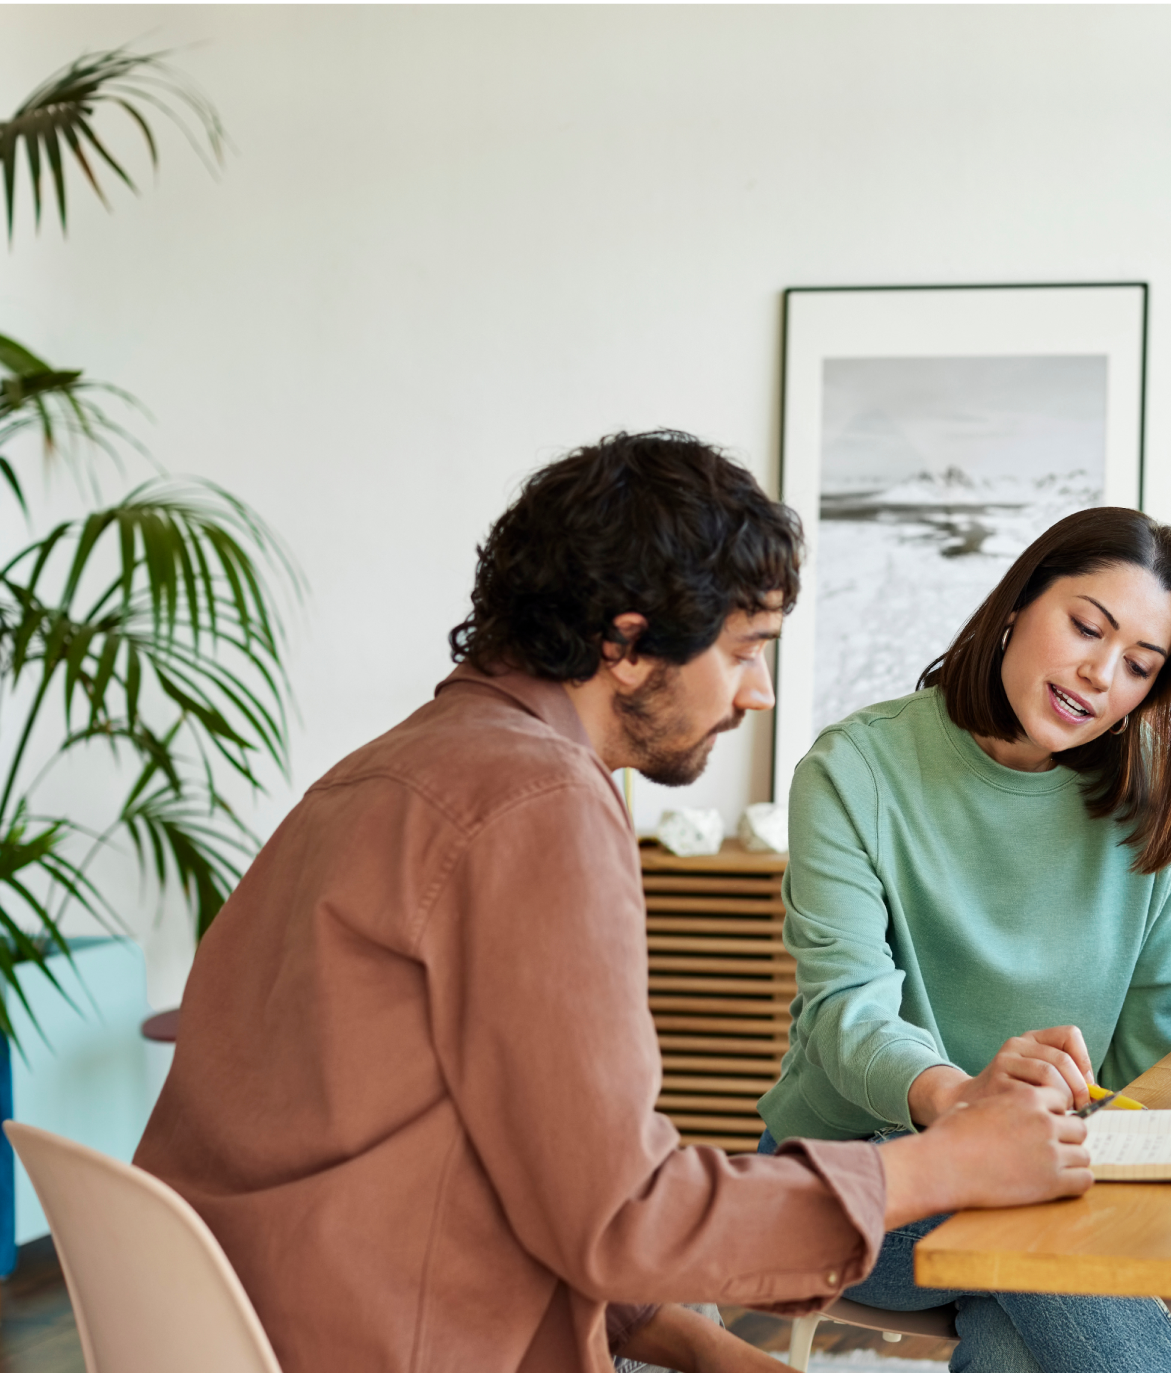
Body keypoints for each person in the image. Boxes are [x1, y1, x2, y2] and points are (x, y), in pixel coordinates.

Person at [136, 432, 1094, 1373]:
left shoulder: (389, 768)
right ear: (629, 646)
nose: (758, 692)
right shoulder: (538, 804)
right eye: (745, 650)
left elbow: (539, 1179)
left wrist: (705, 1348)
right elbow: (625, 1212)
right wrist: (946, 1163)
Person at [758, 508, 1171, 1373]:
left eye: (1138, 664)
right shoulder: (852, 771)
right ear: (1019, 601)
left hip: (1079, 1174)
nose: (1101, 673)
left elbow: (1168, 1041)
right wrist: (961, 1105)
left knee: (1019, 1330)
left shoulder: (1156, 802)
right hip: (869, 1174)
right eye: (1087, 627)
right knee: (1037, 1222)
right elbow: (847, 1017)